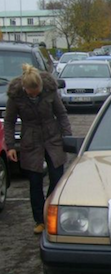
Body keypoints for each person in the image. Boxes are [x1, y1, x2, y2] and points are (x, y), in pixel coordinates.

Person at [4, 64, 72, 234]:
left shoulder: (50, 91)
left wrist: (67, 137)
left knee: (57, 179)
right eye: (31, 93)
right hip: (30, 139)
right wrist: (10, 145)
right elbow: (9, 121)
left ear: (41, 86)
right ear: (24, 88)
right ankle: (39, 220)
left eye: (37, 92)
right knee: (35, 182)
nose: (34, 94)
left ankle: (50, 212)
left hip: (52, 137)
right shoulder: (16, 96)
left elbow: (62, 114)